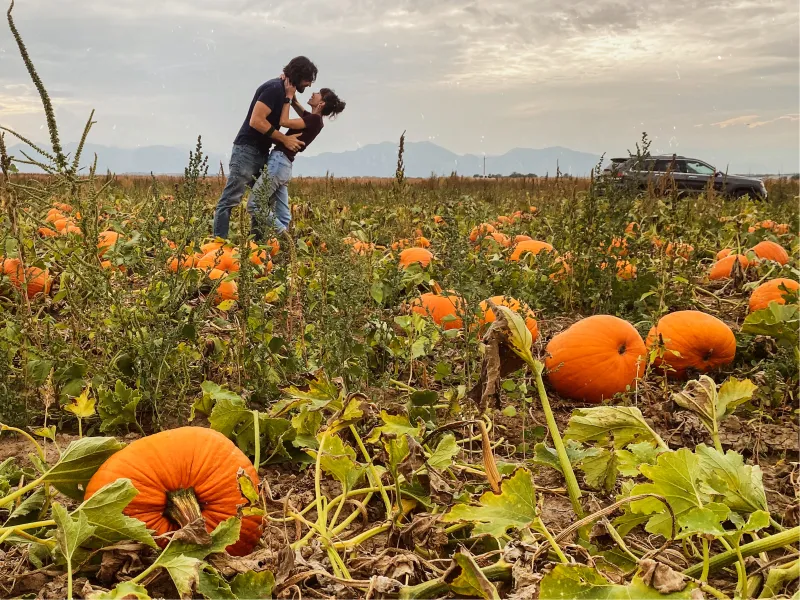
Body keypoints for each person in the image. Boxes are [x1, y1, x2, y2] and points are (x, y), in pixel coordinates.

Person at [212, 56, 318, 239]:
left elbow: (308, 118)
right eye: (308, 80)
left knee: (262, 201)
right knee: (230, 200)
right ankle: (218, 244)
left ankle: (256, 247)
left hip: (262, 151)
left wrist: (291, 99)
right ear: (300, 76)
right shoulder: (273, 89)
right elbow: (256, 121)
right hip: (246, 150)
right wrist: (284, 139)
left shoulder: (283, 92)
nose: (309, 85)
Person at [249, 84, 346, 238]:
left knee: (255, 205)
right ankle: (287, 248)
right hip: (284, 166)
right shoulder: (315, 120)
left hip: (279, 163)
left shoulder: (313, 119)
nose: (313, 93)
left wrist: (287, 98)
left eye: (318, 93)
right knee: (283, 215)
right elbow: (299, 107)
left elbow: (284, 121)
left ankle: (284, 235)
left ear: (321, 104)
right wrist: (291, 94)